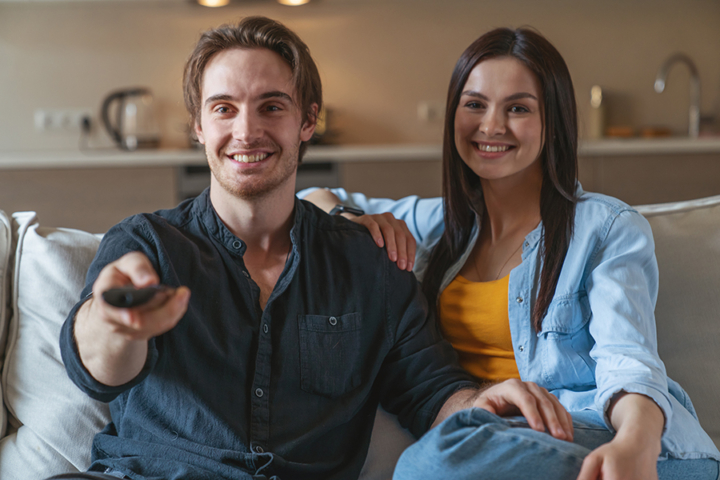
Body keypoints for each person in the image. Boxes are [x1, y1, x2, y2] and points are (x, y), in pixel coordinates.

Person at [53, 18, 574, 480]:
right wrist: (115, 322)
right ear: (199, 126)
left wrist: (483, 401)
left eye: (271, 106)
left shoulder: (368, 261)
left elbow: (431, 392)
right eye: (224, 109)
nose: (246, 130)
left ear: (308, 121)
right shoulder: (147, 245)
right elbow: (97, 369)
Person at [302, 27, 720, 479]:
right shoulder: (440, 227)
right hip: (491, 444)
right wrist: (350, 217)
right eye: (475, 104)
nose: (492, 126)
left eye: (518, 108)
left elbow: (629, 362)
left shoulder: (606, 228)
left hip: (613, 441)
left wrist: (634, 447)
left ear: (552, 121)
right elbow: (312, 197)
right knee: (442, 456)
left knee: (430, 465)